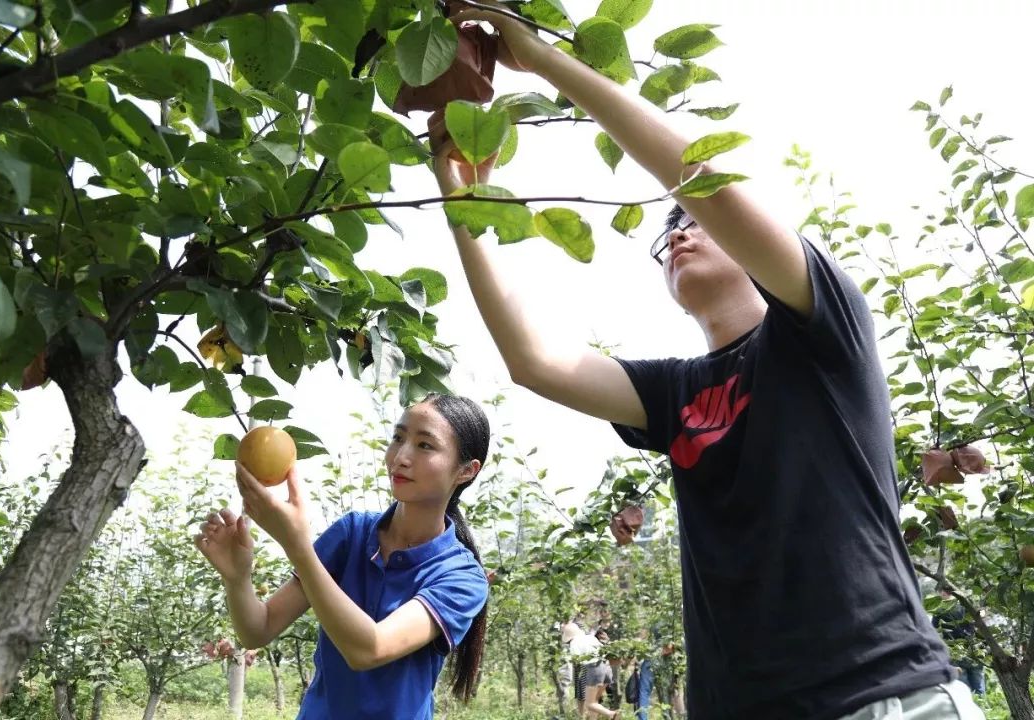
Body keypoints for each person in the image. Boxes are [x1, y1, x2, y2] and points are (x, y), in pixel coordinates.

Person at [433, 4, 986, 718]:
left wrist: (542, 61)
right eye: (668, 237)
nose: (679, 237)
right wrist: (461, 190)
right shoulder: (675, 392)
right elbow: (533, 359)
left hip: (882, 697)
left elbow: (707, 184)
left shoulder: (823, 329)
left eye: (693, 223)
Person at [194, 394, 491, 719]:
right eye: (398, 437)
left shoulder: (461, 575)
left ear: (466, 470)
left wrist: (297, 545)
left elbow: (370, 649)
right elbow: (258, 629)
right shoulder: (352, 535)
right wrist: (237, 578)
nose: (401, 456)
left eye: (424, 446)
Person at [933, 590, 986, 696]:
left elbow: (933, 628)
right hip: (974, 648)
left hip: (956, 651)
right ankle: (983, 708)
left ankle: (969, 708)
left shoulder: (940, 609)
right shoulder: (966, 604)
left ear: (943, 593)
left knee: (965, 687)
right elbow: (981, 615)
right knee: (978, 682)